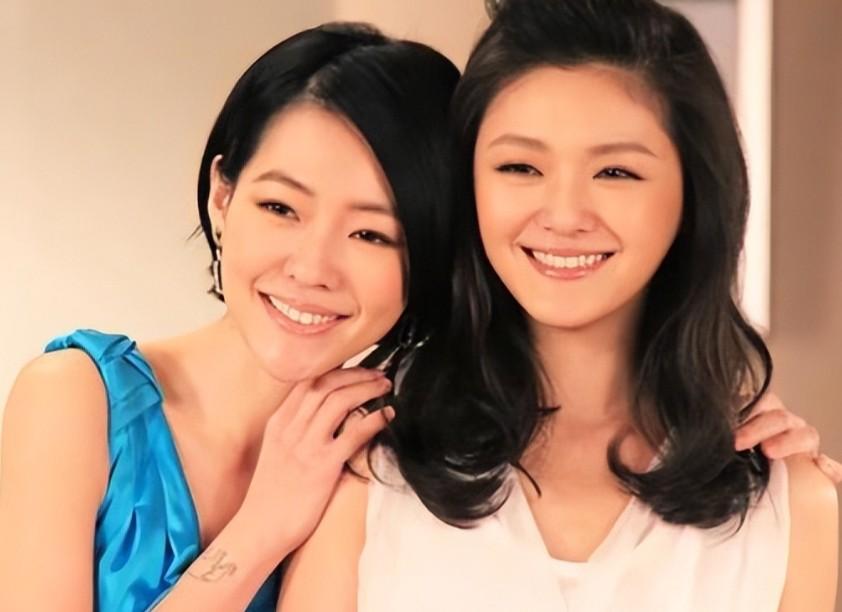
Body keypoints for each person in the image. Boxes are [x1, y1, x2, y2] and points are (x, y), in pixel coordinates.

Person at [278, 2, 838, 611]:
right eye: (520, 166)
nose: (565, 215)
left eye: (615, 172)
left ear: (693, 193)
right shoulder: (364, 463)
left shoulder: (791, 506)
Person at [0, 23, 460, 611]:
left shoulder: (381, 469)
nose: (312, 268)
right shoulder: (74, 399)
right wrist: (262, 528)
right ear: (223, 199)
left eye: (371, 234)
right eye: (280, 207)